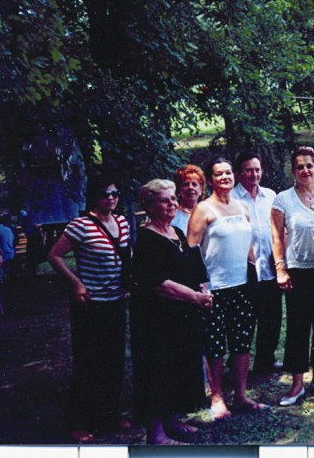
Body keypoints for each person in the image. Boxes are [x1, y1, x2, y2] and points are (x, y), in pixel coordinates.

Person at [46, 173, 131, 443]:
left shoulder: (122, 222)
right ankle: (78, 422)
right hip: (90, 305)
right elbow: (54, 256)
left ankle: (108, 414)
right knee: (88, 363)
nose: (111, 199)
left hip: (116, 301)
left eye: (115, 194)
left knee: (114, 362)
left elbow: (126, 255)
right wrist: (76, 283)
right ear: (94, 196)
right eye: (105, 194)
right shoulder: (80, 225)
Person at [131, 179, 212, 444]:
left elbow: (193, 267)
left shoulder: (176, 232)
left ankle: (172, 422)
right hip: (156, 320)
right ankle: (156, 434)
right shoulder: (146, 239)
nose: (172, 204)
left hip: (182, 316)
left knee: (176, 370)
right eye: (165, 200)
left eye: (174, 198)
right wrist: (195, 297)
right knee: (157, 372)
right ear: (149, 205)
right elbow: (158, 283)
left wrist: (202, 288)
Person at [187, 157, 268, 419]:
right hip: (214, 288)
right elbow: (191, 250)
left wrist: (254, 276)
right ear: (210, 180)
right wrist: (201, 286)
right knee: (215, 344)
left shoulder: (242, 206)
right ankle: (217, 397)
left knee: (242, 341)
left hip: (242, 285)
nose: (225, 177)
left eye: (228, 173)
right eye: (219, 174)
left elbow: (249, 245)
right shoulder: (203, 209)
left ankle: (241, 395)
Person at [271, 146, 314, 406]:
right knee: (298, 327)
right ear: (293, 170)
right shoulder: (283, 199)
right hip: (297, 271)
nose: (305, 170)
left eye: (309, 165)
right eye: (299, 166)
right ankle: (297, 384)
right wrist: (280, 269)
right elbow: (277, 237)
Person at [232, 151, 282, 375]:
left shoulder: (270, 196)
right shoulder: (231, 199)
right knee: (243, 320)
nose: (254, 175)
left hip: (270, 268)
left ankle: (265, 360)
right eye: (249, 170)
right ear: (239, 173)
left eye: (257, 170)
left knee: (271, 318)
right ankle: (235, 365)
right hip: (243, 271)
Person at [171, 164, 206, 234]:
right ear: (179, 189)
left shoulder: (207, 214)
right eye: (186, 184)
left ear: (201, 190)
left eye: (194, 184)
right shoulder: (172, 214)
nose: (190, 187)